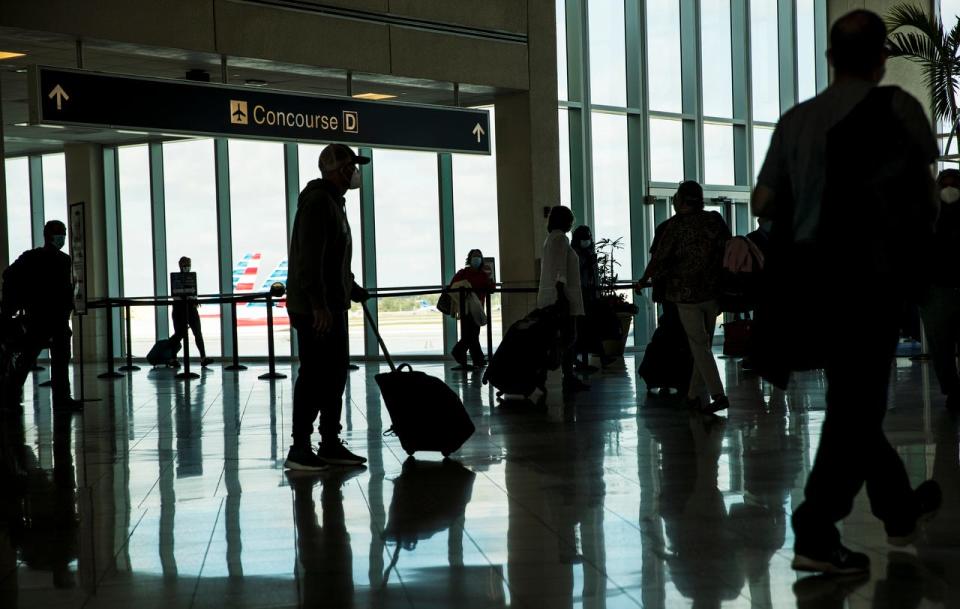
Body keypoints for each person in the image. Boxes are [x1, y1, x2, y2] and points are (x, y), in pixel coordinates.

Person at [751, 9, 941, 575]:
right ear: (882, 58)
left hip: (810, 283)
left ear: (831, 58)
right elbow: (926, 202)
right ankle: (814, 528)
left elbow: (763, 202)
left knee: (852, 402)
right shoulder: (897, 109)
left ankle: (899, 508)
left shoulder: (797, 120)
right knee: (857, 406)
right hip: (869, 281)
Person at [284, 143, 370, 470]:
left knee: (334, 375)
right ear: (337, 170)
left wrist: (351, 288)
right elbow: (310, 260)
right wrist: (319, 304)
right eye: (350, 167)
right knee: (315, 375)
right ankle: (300, 447)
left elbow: (333, 260)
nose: (354, 172)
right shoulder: (319, 202)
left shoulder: (334, 203)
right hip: (315, 310)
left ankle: (330, 442)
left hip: (332, 305)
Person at [636, 181, 731, 413]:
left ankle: (718, 395)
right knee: (704, 345)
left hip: (686, 296)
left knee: (699, 345)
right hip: (712, 292)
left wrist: (642, 280)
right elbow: (726, 249)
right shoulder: (714, 221)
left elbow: (658, 259)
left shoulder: (675, 226)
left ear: (682, 200)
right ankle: (691, 396)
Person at [1, 220, 81, 412]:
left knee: (29, 356)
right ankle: (62, 399)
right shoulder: (62, 260)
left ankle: (10, 395)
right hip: (54, 317)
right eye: (61, 233)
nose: (62, 237)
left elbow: (8, 275)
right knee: (58, 359)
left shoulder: (31, 257)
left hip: (39, 316)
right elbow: (64, 289)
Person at [920, 169, 960, 411]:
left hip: (936, 291)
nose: (949, 188)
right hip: (937, 290)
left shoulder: (927, 217)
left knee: (941, 348)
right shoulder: (927, 217)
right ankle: (953, 389)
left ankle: (953, 390)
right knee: (941, 348)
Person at [537, 206, 589, 392]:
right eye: (570, 219)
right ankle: (566, 375)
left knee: (558, 338)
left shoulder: (551, 239)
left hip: (551, 295)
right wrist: (562, 296)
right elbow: (560, 270)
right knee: (568, 336)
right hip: (562, 296)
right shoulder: (560, 239)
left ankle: (548, 373)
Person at [449, 249, 495, 370]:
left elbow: (491, 288)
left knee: (473, 334)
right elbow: (453, 285)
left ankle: (476, 359)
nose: (477, 259)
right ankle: (463, 354)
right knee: (472, 334)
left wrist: (490, 279)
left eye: (479, 256)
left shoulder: (483, 275)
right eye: (475, 256)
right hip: (466, 308)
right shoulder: (463, 273)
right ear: (469, 259)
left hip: (477, 308)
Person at [169, 256, 212, 368]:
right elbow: (177, 295)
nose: (187, 267)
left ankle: (203, 357)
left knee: (197, 333)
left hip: (188, 308)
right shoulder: (177, 279)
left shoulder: (188, 278)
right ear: (180, 265)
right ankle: (173, 358)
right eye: (185, 265)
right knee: (179, 334)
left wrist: (193, 299)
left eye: (188, 265)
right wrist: (191, 299)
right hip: (180, 309)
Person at [571, 226, 599, 372]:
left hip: (589, 293)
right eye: (584, 238)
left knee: (587, 327)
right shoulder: (575, 254)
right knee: (580, 327)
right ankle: (578, 359)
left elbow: (594, 275)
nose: (586, 241)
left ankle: (585, 358)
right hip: (580, 293)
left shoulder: (589, 253)